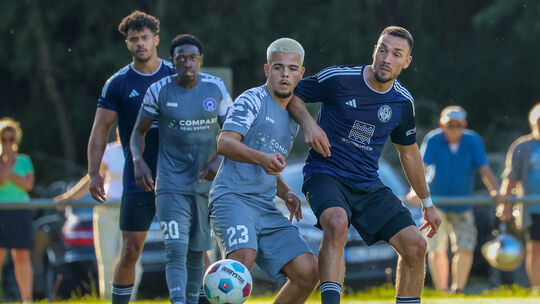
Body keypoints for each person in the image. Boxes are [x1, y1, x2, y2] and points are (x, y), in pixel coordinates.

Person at [287, 26, 441, 304]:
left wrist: (427, 203)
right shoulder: (339, 79)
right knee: (336, 222)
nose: (386, 58)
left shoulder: (403, 103)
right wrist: (309, 124)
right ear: (375, 50)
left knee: (416, 245)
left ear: (406, 62)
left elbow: (409, 154)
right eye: (383, 49)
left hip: (368, 184)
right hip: (325, 174)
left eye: (396, 54)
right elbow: (292, 94)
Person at [209, 38, 319, 304]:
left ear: (301, 73)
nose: (285, 74)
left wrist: (286, 191)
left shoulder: (294, 118)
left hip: (265, 207)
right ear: (267, 69)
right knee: (242, 260)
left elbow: (269, 163)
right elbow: (224, 143)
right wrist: (262, 159)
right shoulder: (252, 99)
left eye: (292, 69)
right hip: (231, 198)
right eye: (278, 67)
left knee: (308, 271)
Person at [131, 34, 232, 304]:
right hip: (170, 183)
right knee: (176, 248)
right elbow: (138, 132)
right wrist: (138, 160)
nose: (187, 63)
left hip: (204, 184)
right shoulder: (159, 90)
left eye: (192, 58)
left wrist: (218, 160)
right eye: (181, 58)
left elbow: (233, 133)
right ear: (173, 61)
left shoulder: (216, 88)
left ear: (200, 60)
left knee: (198, 251)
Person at [87, 11, 175, 304]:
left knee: (188, 250)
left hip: (178, 179)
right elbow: (100, 130)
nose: (140, 43)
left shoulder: (176, 76)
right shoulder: (119, 83)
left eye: (145, 37)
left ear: (156, 40)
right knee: (129, 251)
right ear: (127, 43)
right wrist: (94, 173)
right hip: (137, 180)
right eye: (134, 39)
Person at [407, 106, 500, 293]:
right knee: (436, 247)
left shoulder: (472, 140)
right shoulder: (433, 139)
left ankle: (459, 289)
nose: (454, 128)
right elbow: (421, 167)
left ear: (464, 125)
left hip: (463, 203)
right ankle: (442, 290)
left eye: (458, 125)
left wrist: (496, 192)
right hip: (436, 203)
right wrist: (414, 191)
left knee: (465, 245)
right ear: (442, 125)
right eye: (450, 125)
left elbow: (484, 169)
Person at [54, 129, 143, 301]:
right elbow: (92, 178)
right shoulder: (109, 152)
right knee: (107, 258)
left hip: (132, 211)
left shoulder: (143, 152)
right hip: (108, 211)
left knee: (132, 257)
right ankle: (109, 298)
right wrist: (68, 197)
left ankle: (129, 298)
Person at [499, 103, 540, 295]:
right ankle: (537, 288)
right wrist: (505, 205)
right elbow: (510, 178)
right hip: (531, 209)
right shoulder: (522, 146)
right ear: (534, 123)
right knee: (535, 248)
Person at [0, 117, 34, 303]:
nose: (7, 143)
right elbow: (3, 180)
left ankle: (27, 299)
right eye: (3, 139)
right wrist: (6, 163)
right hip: (1, 210)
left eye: (10, 139)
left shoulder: (24, 160)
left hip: (21, 211)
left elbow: (28, 184)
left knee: (21, 256)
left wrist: (9, 168)